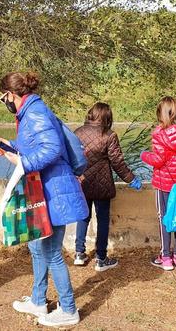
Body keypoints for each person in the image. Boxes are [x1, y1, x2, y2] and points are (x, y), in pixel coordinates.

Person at [0, 71, 88, 328]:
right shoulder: (29, 112)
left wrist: (21, 161)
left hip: (54, 190)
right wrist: (12, 147)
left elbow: (51, 149)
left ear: (11, 95)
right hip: (44, 190)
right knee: (37, 248)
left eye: (3, 97)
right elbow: (37, 144)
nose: (4, 103)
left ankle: (69, 309)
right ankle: (38, 300)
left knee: (51, 252)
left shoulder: (34, 112)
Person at [73, 102, 142, 271]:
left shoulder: (77, 133)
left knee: (83, 216)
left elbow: (71, 158)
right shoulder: (109, 135)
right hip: (102, 185)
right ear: (107, 117)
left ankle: (79, 254)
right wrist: (131, 179)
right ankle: (101, 259)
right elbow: (117, 162)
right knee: (102, 220)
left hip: (81, 182)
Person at [141, 96, 176, 271]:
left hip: (164, 184)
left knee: (164, 219)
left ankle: (166, 257)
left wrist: (144, 155)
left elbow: (158, 160)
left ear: (162, 114)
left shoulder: (158, 134)